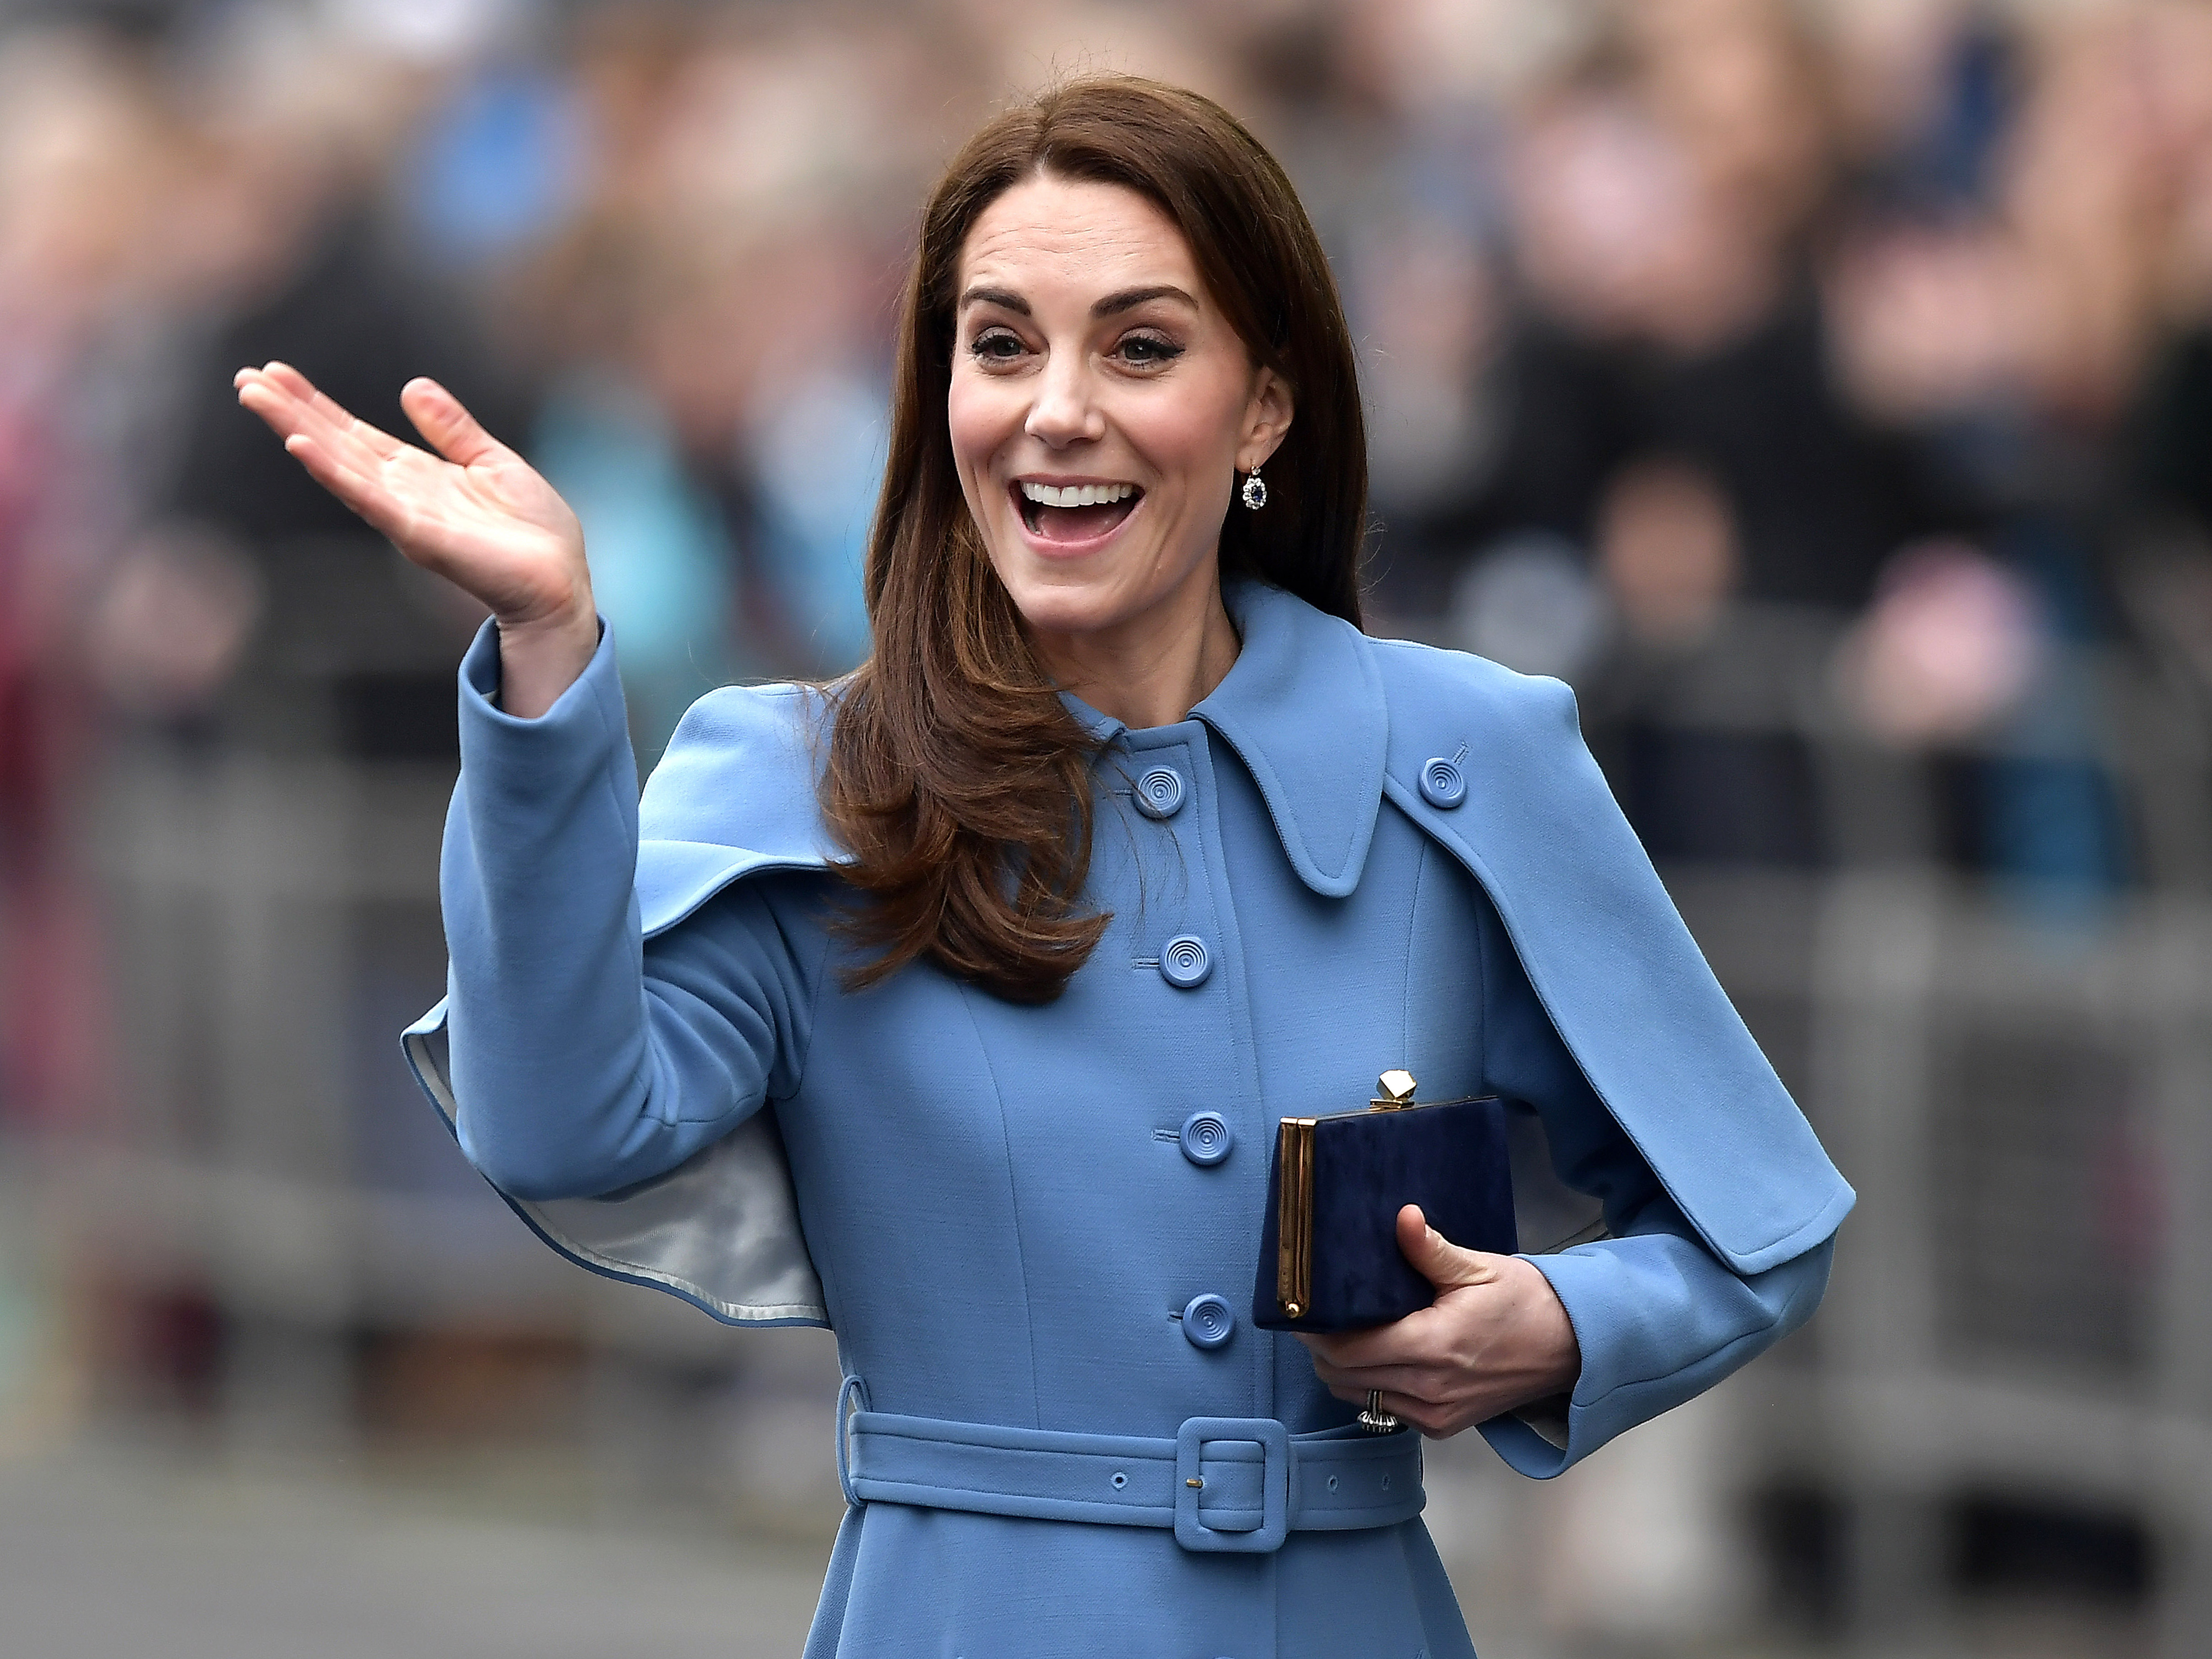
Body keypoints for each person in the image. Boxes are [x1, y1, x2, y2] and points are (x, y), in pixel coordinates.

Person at [236, 76, 1850, 1659]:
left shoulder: (1465, 757)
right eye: (1000, 344)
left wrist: (1560, 1326)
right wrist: (545, 657)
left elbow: (1755, 1226)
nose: (1057, 409)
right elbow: (558, 1127)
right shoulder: (807, 777)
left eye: (1141, 347)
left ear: (1266, 406)